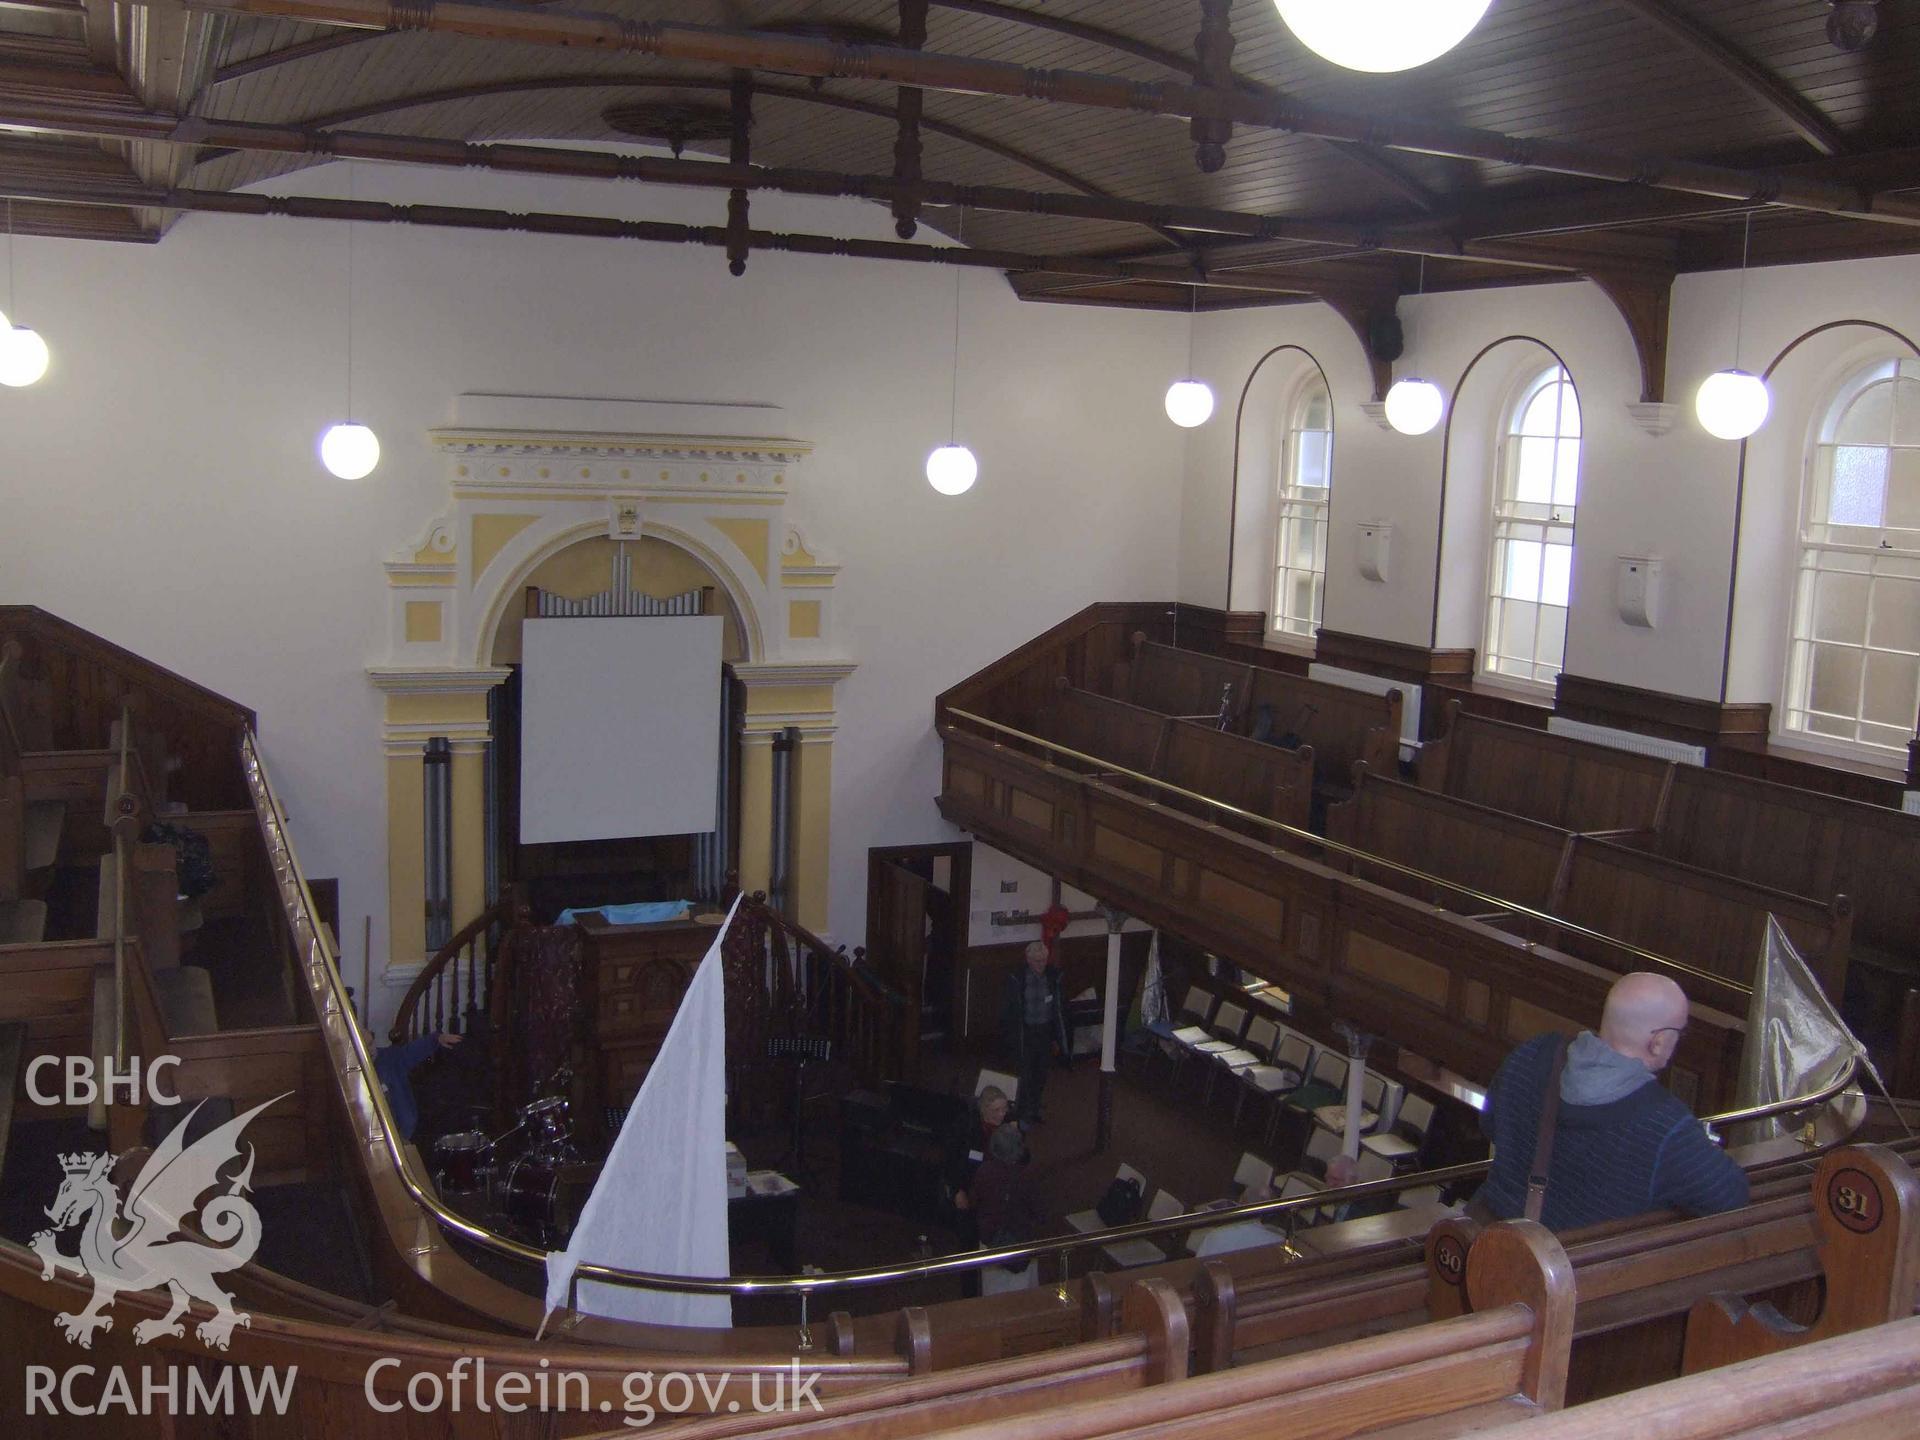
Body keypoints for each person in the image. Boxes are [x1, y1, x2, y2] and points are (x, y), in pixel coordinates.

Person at [1473, 971, 1748, 1230]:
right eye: (1680, 1032)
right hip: (1572, 1271)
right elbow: (1730, 1196)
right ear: (1659, 1042)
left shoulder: (1531, 1054)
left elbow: (1490, 1123)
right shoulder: (1665, 1126)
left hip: (1489, 1237)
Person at [1000, 941, 1068, 1126]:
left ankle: (1035, 1108)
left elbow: (1059, 1009)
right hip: (1025, 1032)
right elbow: (1008, 1010)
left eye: (1044, 960)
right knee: (1025, 1074)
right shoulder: (1018, 978)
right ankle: (1022, 1112)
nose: (1041, 964)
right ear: (1028, 960)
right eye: (1037, 961)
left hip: (1044, 1032)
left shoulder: (1053, 976)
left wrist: (1058, 1038)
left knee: (1041, 1073)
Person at [972, 1123, 1043, 1292]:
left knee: (991, 1292)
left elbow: (975, 1202)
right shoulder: (1026, 1177)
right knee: (1022, 1293)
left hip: (991, 1241)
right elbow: (1040, 1212)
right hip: (1020, 1241)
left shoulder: (983, 1171)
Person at [943, 1086, 1011, 1242]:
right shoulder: (966, 1127)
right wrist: (957, 1190)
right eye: (996, 1110)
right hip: (969, 1185)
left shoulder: (1007, 1126)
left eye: (1004, 1109)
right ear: (984, 1109)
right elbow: (951, 1161)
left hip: (995, 1187)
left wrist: (1015, 1135)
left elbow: (1022, 1156)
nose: (1002, 1114)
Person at [1192, 1182, 1288, 1257]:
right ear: (1269, 1212)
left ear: (1240, 1201)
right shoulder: (1278, 1242)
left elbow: (1198, 1267)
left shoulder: (1216, 1236)